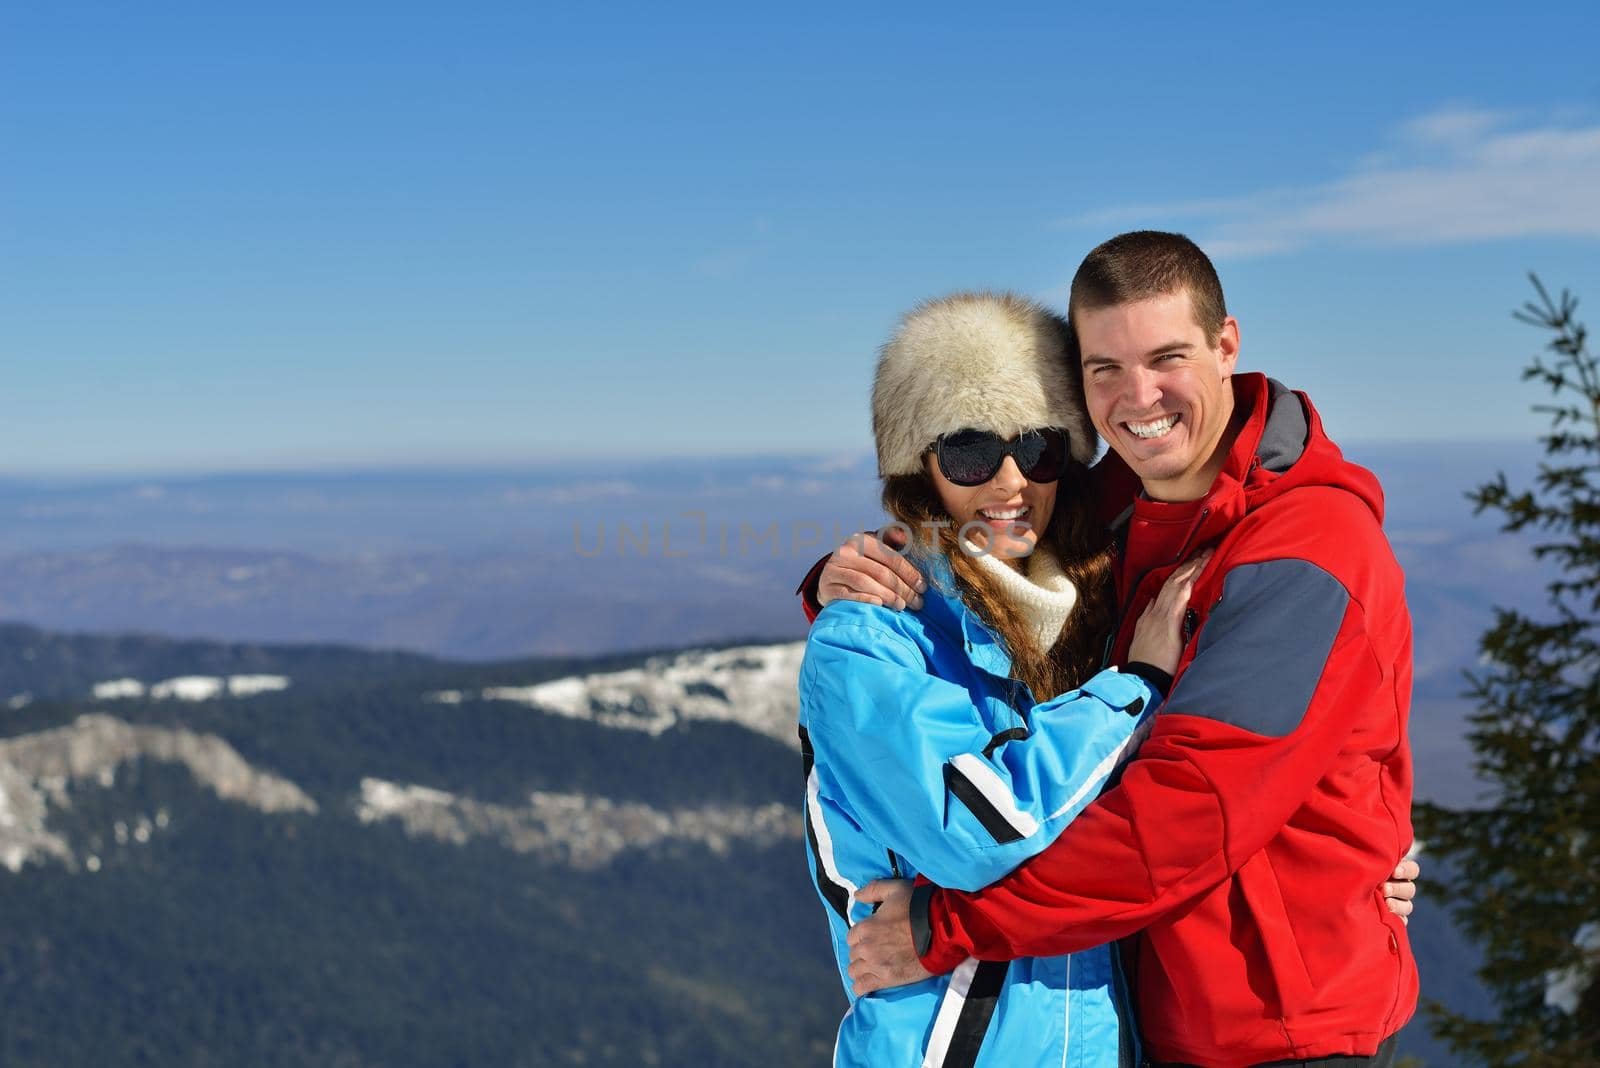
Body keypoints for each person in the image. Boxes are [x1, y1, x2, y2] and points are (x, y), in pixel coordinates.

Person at [817, 232, 1419, 1067]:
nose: (1139, 397)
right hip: (1136, 1012)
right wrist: (852, 580)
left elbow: (1185, 816)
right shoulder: (1112, 509)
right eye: (1105, 369)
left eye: (1166, 357)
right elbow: (976, 549)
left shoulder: (1305, 550)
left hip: (1273, 1029)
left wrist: (947, 928)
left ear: (1226, 346)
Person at [801, 291, 1206, 1067]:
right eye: (970, 453)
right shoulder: (869, 639)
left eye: (1041, 448)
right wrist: (1134, 690)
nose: (1012, 481)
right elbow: (975, 833)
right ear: (920, 468)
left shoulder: (1095, 615)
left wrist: (1342, 868)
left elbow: (1193, 799)